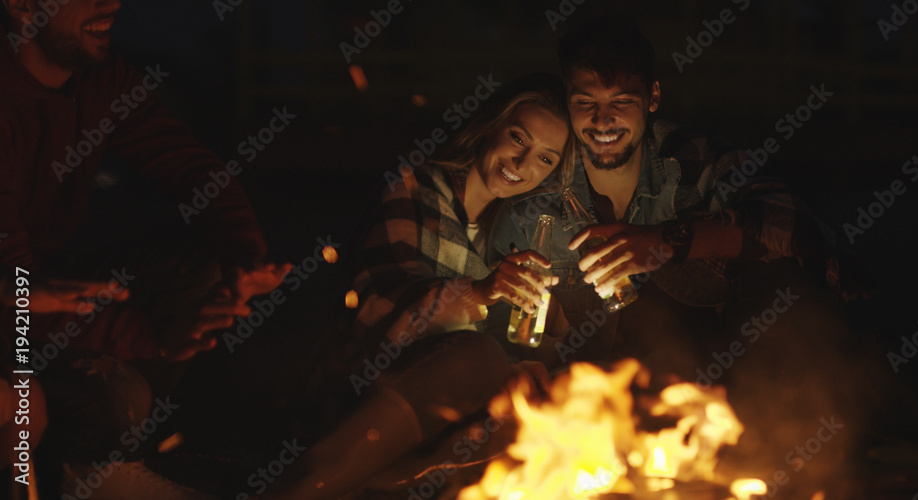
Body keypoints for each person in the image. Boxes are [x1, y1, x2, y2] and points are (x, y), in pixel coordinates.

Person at [487, 18, 869, 492]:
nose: (602, 121)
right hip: (590, 418)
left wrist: (666, 242)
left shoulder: (690, 159)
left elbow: (802, 230)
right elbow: (501, 334)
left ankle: (803, 447)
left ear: (652, 98)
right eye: (586, 103)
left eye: (621, 103)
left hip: (711, 397)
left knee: (784, 286)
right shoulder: (535, 201)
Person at [0, 0, 289, 497]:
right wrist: (148, 338)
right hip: (12, 319)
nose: (109, 3)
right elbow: (18, 295)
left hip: (30, 297)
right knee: (115, 400)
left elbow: (189, 168)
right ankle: (76, 464)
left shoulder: (101, 80)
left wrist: (243, 259)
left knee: (200, 271)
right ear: (23, 7)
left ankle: (113, 445)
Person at [264, 73, 572, 499]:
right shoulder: (414, 188)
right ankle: (300, 489)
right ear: (490, 126)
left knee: (542, 399)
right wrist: (480, 293)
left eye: (545, 159)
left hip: (449, 416)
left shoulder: (511, 233)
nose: (522, 164)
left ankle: (384, 485)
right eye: (519, 139)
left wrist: (546, 330)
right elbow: (378, 314)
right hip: (358, 391)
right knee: (479, 356)